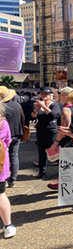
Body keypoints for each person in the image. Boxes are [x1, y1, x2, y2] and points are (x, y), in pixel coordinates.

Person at [47, 87, 73, 190]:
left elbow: (64, 129)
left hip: (66, 140)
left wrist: (55, 143)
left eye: (60, 95)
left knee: (65, 165)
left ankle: (63, 184)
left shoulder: (66, 109)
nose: (59, 97)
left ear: (65, 97)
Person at [31, 87, 60, 179]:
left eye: (46, 94)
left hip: (52, 129)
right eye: (42, 94)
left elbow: (53, 115)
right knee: (41, 151)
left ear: (50, 95)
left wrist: (44, 106)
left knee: (54, 150)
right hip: (41, 130)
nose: (43, 96)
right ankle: (41, 171)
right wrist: (35, 110)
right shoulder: (38, 104)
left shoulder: (54, 104)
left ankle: (61, 171)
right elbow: (32, 117)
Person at [0, 86, 23, 187]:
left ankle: (4, 179)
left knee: (4, 157)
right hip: (17, 133)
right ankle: (13, 179)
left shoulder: (2, 107)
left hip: (4, 137)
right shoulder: (17, 105)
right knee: (14, 156)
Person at [0, 102, 16, 238]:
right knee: (0, 194)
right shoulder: (3, 123)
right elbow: (7, 141)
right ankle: (8, 225)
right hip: (0, 164)